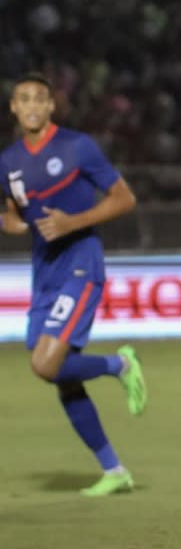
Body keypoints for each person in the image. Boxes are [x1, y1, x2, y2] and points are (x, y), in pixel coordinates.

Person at [0, 72, 147, 496]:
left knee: (45, 364)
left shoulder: (76, 146)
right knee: (61, 375)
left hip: (81, 262)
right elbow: (16, 214)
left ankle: (120, 365)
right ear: (13, 106)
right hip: (44, 270)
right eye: (22, 98)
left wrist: (72, 223)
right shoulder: (8, 161)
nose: (31, 105)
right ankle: (115, 470)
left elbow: (124, 198)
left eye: (39, 99)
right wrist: (8, 223)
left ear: (50, 107)